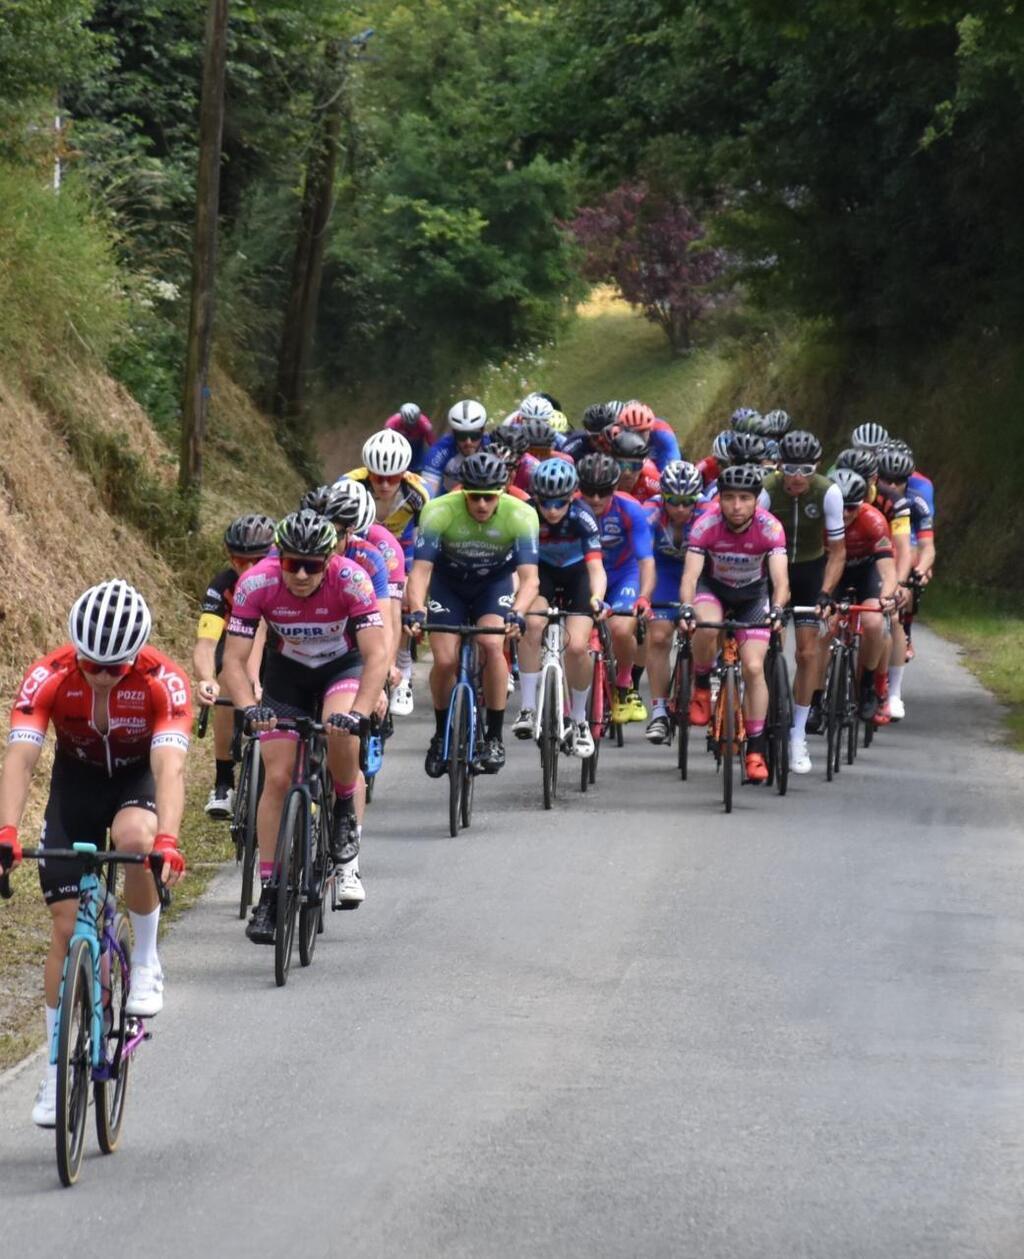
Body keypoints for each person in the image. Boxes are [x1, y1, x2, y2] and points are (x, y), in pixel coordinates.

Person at [0, 580, 190, 1126]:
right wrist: (8, 831)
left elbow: (170, 769)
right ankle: (57, 1070)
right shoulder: (49, 675)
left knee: (135, 841)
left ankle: (148, 958)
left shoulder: (162, 681)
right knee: (65, 927)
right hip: (76, 786)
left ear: (136, 657)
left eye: (115, 667)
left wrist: (169, 840)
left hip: (136, 780)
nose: (101, 674)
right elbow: (21, 758)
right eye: (91, 663)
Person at [221, 511, 388, 939]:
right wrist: (246, 707)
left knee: (340, 728)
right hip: (287, 673)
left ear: (330, 559)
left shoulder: (352, 580)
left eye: (311, 566)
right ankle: (270, 893)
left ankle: (345, 806)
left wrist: (361, 712)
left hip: (341, 668)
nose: (299, 573)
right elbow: (235, 661)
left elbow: (376, 656)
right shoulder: (257, 582)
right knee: (277, 777)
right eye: (291, 562)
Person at [405, 450, 540, 776]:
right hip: (448, 586)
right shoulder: (438, 512)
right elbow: (420, 572)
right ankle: (440, 735)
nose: (481, 505)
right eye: (475, 497)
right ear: (463, 490)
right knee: (446, 659)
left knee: (493, 645)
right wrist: (418, 610)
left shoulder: (521, 515)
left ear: (503, 492)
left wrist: (518, 612)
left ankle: (494, 737)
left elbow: (529, 578)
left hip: (492, 586)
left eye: (489, 498)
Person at [679, 465, 790, 783]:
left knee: (754, 667)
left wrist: (778, 608)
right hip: (713, 590)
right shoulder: (706, 525)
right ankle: (701, 687)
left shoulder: (770, 528)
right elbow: (690, 576)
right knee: (705, 624)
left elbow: (781, 578)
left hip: (753, 597)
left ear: (757, 500)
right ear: (720, 500)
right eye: (729, 498)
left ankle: (755, 749)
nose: (736, 505)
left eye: (744, 498)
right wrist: (687, 607)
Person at [759, 429, 846, 774]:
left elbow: (838, 553)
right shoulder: (767, 489)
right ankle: (759, 713)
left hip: (810, 572)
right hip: (770, 569)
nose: (796, 478)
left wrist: (826, 592)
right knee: (766, 644)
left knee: (807, 653)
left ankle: (797, 733)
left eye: (805, 470)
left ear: (817, 467)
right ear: (780, 466)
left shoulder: (829, 493)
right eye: (790, 469)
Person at [513, 459, 606, 756]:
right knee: (533, 624)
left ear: (571, 497)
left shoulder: (583, 516)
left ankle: (579, 720)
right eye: (546, 502)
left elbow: (596, 568)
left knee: (578, 648)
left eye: (560, 503)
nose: (552, 510)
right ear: (536, 497)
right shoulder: (525, 514)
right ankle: (527, 708)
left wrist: (597, 598)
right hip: (542, 575)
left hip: (577, 574)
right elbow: (518, 570)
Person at [193, 514, 275, 817]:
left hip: (277, 653)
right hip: (236, 651)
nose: (248, 569)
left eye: (258, 560)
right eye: (240, 561)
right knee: (226, 681)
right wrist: (205, 679)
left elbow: (265, 630)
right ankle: (224, 780)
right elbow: (205, 643)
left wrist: (255, 679)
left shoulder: (283, 581)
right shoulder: (223, 585)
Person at [576, 452, 655, 724]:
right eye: (589, 491)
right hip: (585, 575)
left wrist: (644, 596)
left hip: (624, 573)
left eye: (603, 491)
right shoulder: (571, 507)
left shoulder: (630, 508)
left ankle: (624, 684)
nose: (595, 499)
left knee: (621, 628)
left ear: (615, 487)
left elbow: (646, 561)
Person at [330, 477, 413, 715]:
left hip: (369, 607)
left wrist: (388, 664)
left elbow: (390, 615)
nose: (353, 542)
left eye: (360, 534)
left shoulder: (383, 547)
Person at [643, 461, 706, 743]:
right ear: (663, 497)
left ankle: (706, 680)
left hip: (702, 574)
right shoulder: (650, 511)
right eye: (674, 501)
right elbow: (640, 554)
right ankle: (658, 712)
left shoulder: (709, 513)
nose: (681, 508)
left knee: (706, 626)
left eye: (687, 502)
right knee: (658, 636)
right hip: (665, 572)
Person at [874, 445, 936, 720]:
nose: (892, 485)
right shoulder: (870, 496)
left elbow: (925, 545)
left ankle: (895, 692)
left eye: (899, 481)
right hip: (875, 545)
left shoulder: (919, 497)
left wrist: (919, 571)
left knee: (896, 615)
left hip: (903, 545)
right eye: (886, 479)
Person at [832, 469, 899, 718]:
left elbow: (887, 570)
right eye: (840, 506)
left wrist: (887, 597)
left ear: (861, 504)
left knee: (873, 622)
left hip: (867, 572)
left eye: (851, 507)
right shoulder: (822, 520)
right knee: (824, 626)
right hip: (834, 572)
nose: (845, 514)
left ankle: (868, 684)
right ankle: (817, 697)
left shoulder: (875, 521)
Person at [420, 399, 490, 497]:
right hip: (447, 500)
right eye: (461, 436)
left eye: (474, 435)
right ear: (453, 433)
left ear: (483, 431)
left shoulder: (492, 446)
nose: (468, 442)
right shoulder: (440, 450)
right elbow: (427, 494)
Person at [619, 399, 682, 471]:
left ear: (650, 428)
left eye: (641, 432)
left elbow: (672, 469)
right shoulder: (615, 435)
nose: (636, 438)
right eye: (631, 433)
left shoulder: (663, 435)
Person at [611, 428, 661, 503]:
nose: (627, 473)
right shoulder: (603, 475)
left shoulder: (653, 480)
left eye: (635, 466)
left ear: (643, 465)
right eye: (622, 465)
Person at [385, 402, 435, 472]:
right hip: (399, 442)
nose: (410, 427)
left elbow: (431, 443)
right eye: (407, 424)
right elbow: (386, 440)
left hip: (417, 444)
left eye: (413, 425)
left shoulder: (425, 425)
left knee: (417, 467)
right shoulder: (392, 423)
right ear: (402, 419)